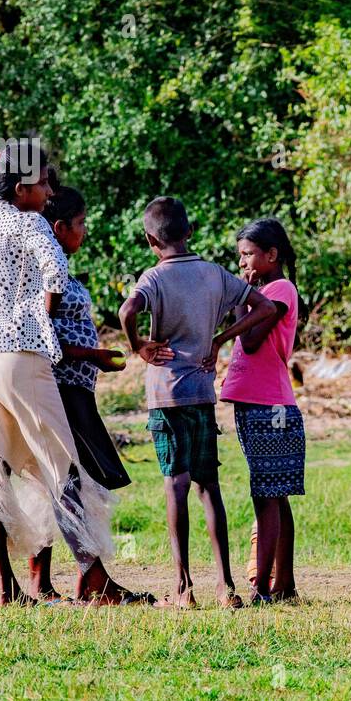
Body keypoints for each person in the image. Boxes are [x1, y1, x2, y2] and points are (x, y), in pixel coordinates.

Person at [0, 154, 149, 606]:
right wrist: (35, 321)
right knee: (62, 470)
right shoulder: (31, 223)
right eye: (42, 185)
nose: (48, 194)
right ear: (21, 189)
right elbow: (56, 272)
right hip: (21, 361)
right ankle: (95, 581)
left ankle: (10, 592)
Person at [117, 196, 277, 609]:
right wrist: (221, 339)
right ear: (190, 232)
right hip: (202, 393)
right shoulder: (215, 274)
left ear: (151, 239)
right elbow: (263, 307)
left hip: (165, 395)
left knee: (176, 484)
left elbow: (127, 310)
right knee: (209, 487)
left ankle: (184, 588)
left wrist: (140, 346)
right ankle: (225, 587)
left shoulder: (153, 278)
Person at [27, 185, 134, 600]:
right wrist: (94, 353)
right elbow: (43, 335)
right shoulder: (44, 272)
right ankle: (88, 581)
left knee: (66, 481)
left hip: (75, 387)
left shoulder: (58, 267)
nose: (85, 231)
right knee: (64, 481)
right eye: (81, 223)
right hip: (61, 387)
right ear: (58, 227)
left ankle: (76, 580)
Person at [220, 217, 305, 604]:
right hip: (257, 404)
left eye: (249, 254)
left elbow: (251, 342)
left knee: (265, 495)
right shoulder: (261, 292)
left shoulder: (280, 289)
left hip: (270, 406)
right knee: (275, 495)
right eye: (239, 256)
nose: (243, 264)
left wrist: (242, 299)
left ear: (271, 255)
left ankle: (261, 587)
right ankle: (282, 584)